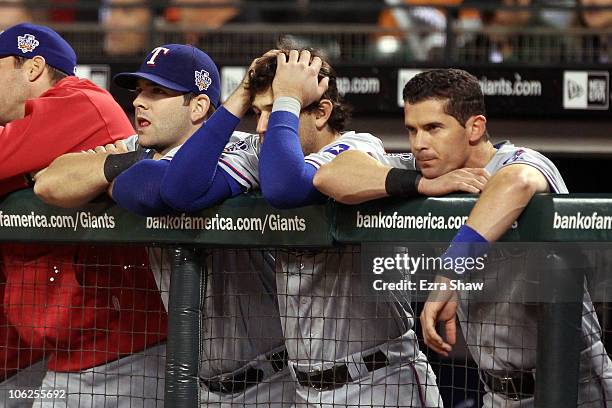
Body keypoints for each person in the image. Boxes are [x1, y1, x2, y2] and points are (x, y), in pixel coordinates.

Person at [313, 68, 612, 407]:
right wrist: (420, 184)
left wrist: (449, 274)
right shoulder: (428, 171)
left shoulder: (519, 161)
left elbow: (519, 183)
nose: (419, 143)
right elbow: (330, 174)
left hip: (572, 387)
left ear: (475, 127)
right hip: (497, 392)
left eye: (433, 128)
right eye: (412, 130)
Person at [34, 44, 295, 407]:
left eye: (158, 92)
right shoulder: (138, 147)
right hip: (198, 386)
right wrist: (132, 161)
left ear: (199, 106)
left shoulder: (242, 146)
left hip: (272, 379)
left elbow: (162, 189)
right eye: (140, 90)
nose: (140, 101)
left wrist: (112, 170)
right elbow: (49, 182)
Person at [0, 23, 167, 407]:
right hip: (69, 353)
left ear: (32, 68)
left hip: (123, 350)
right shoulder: (24, 127)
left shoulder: (82, 101)